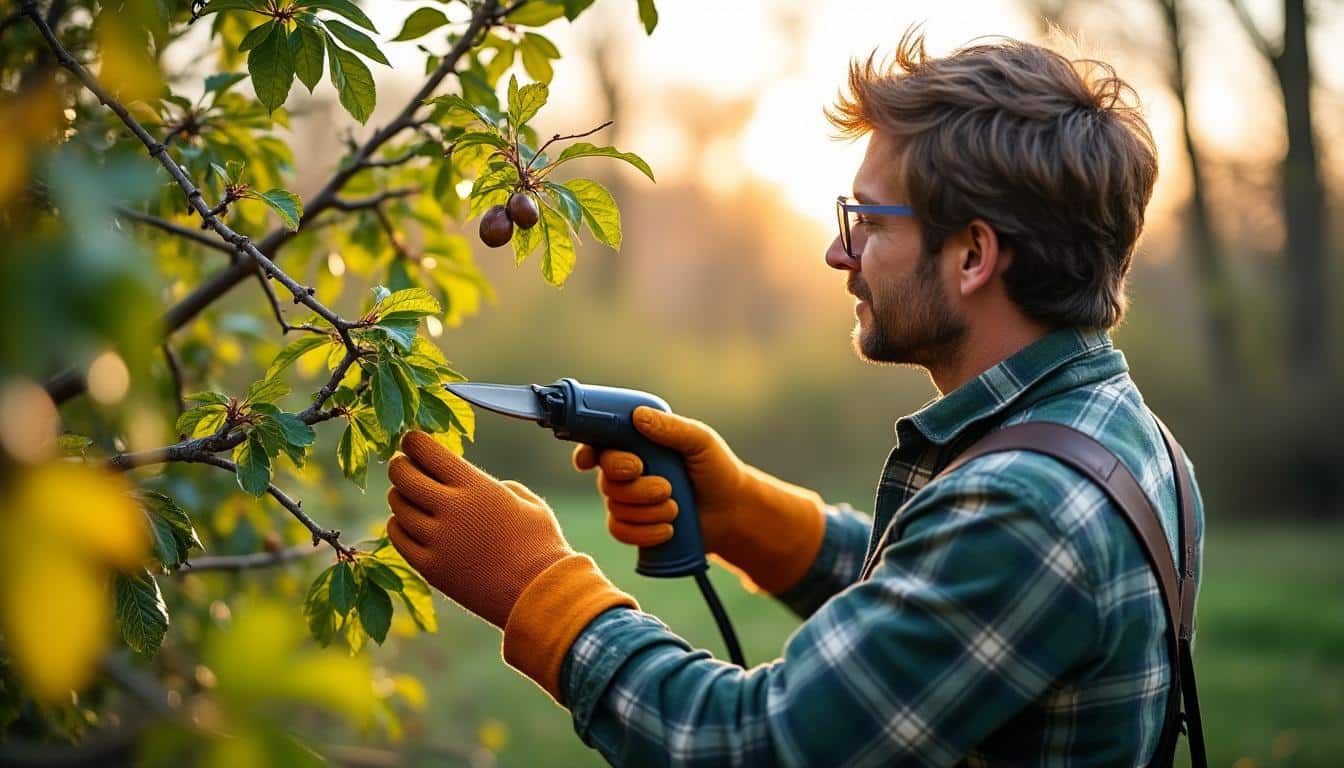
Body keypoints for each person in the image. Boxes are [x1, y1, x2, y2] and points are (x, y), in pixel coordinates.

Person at [384, 29, 1206, 766]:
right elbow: (935, 601)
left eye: (868, 222)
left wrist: (538, 589)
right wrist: (747, 514)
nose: (836, 253)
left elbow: (756, 744)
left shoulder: (1029, 507)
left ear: (973, 256)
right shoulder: (1118, 438)